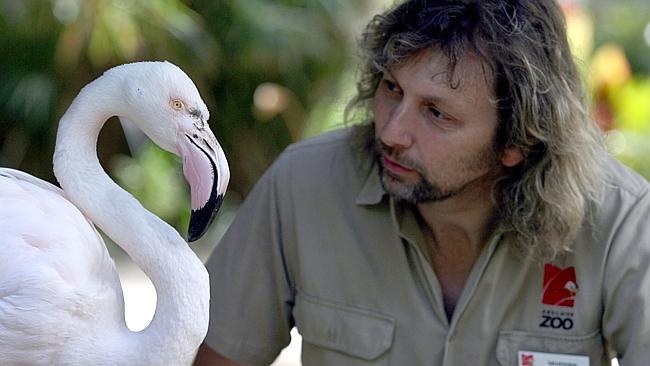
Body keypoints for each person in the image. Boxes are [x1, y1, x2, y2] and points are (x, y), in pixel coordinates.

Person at [194, 0, 650, 365]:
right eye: (392, 88)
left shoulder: (620, 220)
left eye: (437, 113)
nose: (391, 132)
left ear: (517, 141)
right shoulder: (304, 185)